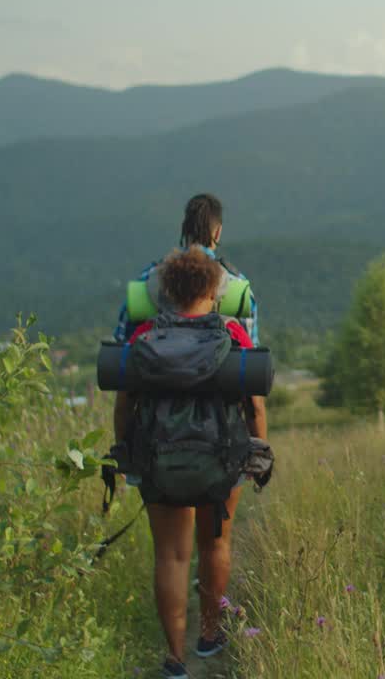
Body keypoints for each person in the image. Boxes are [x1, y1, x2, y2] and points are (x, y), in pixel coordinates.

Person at [113, 247, 268, 679]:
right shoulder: (233, 334)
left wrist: (125, 453)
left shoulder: (143, 335)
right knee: (214, 545)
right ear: (215, 291)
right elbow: (254, 405)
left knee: (171, 556)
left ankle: (175, 658)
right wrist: (258, 452)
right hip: (221, 461)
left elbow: (124, 405)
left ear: (165, 291)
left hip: (160, 462)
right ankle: (210, 636)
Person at [115, 193, 259, 345]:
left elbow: (122, 343)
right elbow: (250, 353)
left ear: (184, 228)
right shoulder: (238, 287)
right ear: (218, 232)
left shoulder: (148, 280)